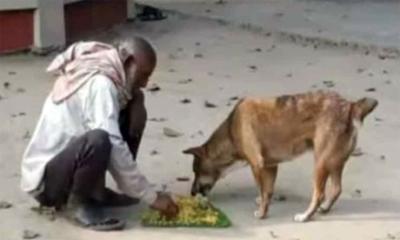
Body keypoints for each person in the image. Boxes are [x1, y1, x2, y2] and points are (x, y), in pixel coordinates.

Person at [20, 37, 179, 231]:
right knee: (100, 139)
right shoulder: (101, 84)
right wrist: (150, 196)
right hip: (48, 185)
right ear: (128, 63)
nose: (145, 83)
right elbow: (112, 142)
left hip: (68, 165)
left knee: (130, 108)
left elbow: (128, 98)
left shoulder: (110, 70)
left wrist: (138, 100)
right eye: (143, 75)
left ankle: (96, 194)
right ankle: (78, 205)